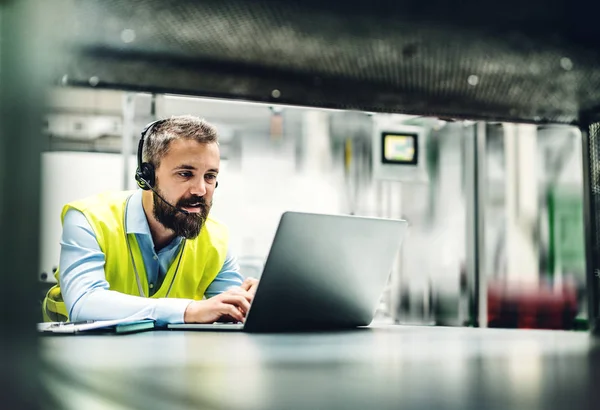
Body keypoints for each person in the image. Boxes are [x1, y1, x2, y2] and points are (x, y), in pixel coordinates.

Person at [43, 115, 258, 325]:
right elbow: (83, 302)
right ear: (146, 177)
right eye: (185, 174)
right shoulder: (89, 219)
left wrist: (253, 303)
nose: (201, 189)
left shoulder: (215, 239)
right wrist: (188, 310)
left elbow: (230, 310)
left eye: (210, 176)